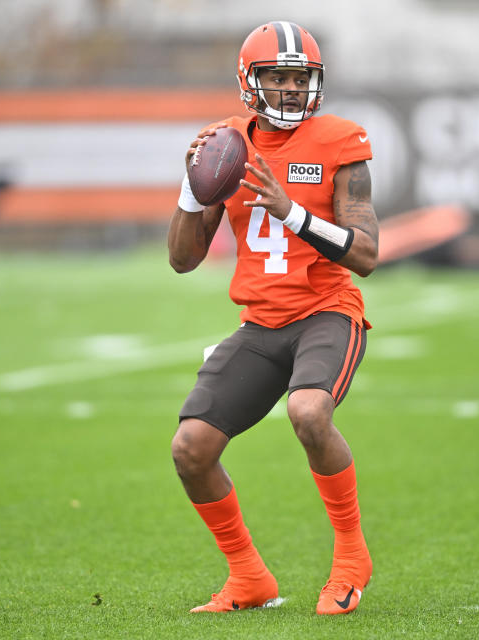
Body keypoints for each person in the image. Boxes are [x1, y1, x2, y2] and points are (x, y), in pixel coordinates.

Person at [167, 21, 378, 615]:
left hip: (326, 311)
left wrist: (295, 215)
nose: (290, 90)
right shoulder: (226, 145)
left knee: (309, 410)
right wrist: (191, 192)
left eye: (299, 78)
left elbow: (366, 255)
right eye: (277, 78)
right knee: (191, 449)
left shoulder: (341, 141)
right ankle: (248, 577)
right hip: (261, 323)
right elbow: (183, 260)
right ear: (249, 82)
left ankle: (350, 554)